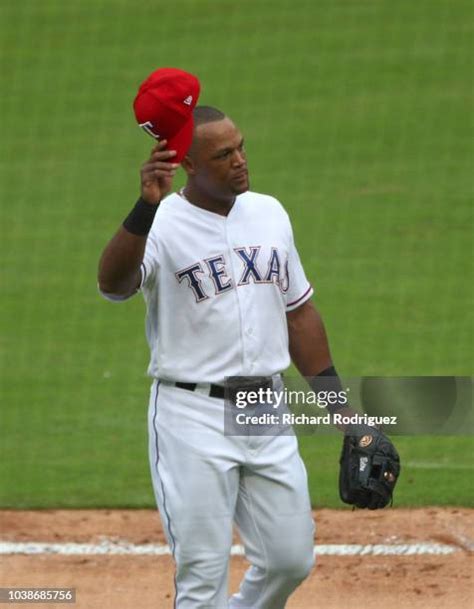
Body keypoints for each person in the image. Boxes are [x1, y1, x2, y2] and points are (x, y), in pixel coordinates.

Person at [98, 99, 347, 608]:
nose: (240, 161)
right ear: (188, 164)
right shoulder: (162, 224)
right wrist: (144, 207)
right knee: (202, 578)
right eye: (223, 155)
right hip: (192, 416)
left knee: (289, 558)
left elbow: (299, 314)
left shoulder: (269, 213)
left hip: (266, 410)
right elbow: (113, 285)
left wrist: (344, 414)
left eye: (241, 148)